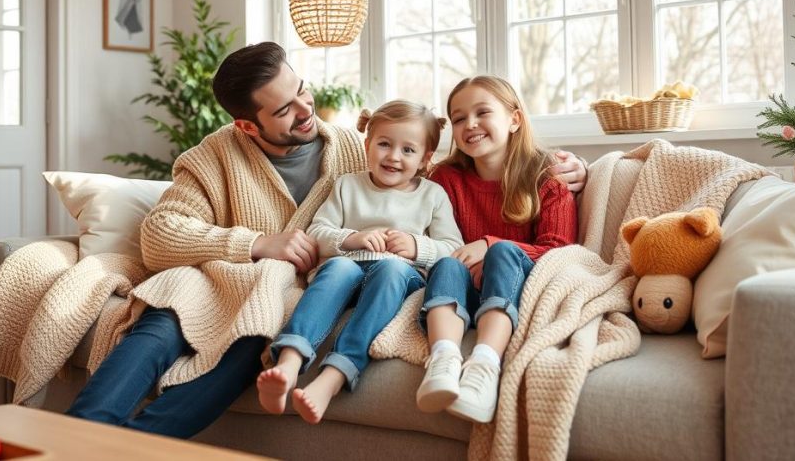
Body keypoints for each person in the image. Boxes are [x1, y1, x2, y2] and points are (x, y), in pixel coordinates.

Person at [65, 41, 587, 438]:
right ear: (248, 126)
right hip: (215, 280)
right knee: (161, 325)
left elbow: (421, 165)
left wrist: (572, 165)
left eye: (302, 91)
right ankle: (73, 439)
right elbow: (160, 235)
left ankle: (134, 445)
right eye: (285, 109)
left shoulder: (349, 147)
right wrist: (256, 243)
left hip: (282, 296)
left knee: (254, 345)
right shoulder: (214, 156)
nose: (305, 109)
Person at [258, 100, 463, 424]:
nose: (393, 156)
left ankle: (333, 377)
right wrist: (351, 238)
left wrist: (415, 244)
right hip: (347, 265)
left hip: (399, 274)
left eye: (408, 150)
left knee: (391, 267)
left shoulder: (432, 195)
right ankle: (289, 361)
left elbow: (453, 248)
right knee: (338, 267)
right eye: (384, 144)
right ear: (367, 145)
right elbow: (317, 231)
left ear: (425, 159)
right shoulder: (347, 185)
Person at [415, 75, 578, 424]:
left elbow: (560, 250)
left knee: (503, 252)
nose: (470, 124)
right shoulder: (445, 179)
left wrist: (490, 245)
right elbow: (421, 228)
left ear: (514, 119)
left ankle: (485, 364)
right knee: (446, 263)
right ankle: (443, 359)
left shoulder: (547, 180)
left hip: (514, 294)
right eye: (458, 118)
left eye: (482, 112)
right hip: (460, 292)